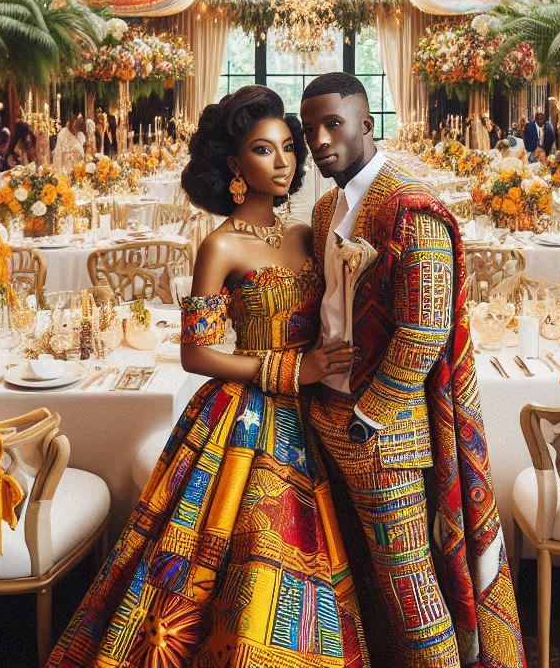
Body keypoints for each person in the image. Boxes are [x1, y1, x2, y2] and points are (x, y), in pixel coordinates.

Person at [47, 86, 367, 666]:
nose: (285, 162)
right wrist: (292, 368)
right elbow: (195, 354)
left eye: (289, 148)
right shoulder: (218, 246)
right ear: (234, 164)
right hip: (244, 413)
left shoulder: (310, 233)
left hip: (318, 410)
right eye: (264, 150)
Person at [299, 73, 523, 668]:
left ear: (367, 125)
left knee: (411, 588)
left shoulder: (410, 206)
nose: (319, 140)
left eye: (333, 124)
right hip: (328, 413)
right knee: (359, 581)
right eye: (310, 129)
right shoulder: (326, 210)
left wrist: (369, 418)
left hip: (386, 433)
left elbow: (424, 330)